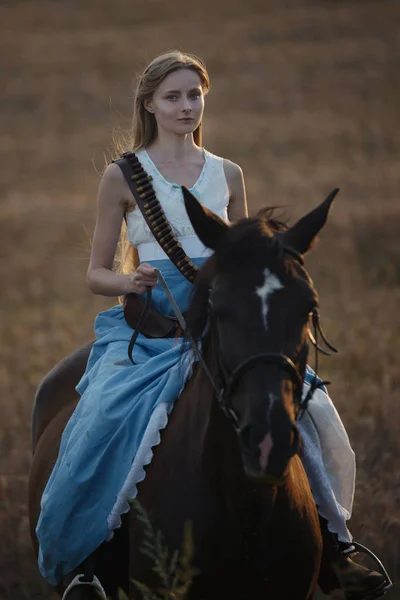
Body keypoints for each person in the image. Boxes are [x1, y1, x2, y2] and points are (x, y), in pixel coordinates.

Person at [35, 50, 387, 598]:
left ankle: (335, 544)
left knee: (312, 408)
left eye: (194, 95)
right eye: (172, 96)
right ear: (149, 103)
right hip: (156, 323)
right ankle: (90, 562)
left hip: (226, 320)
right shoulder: (122, 175)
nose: (185, 106)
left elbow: (246, 257)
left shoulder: (228, 173)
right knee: (103, 417)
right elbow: (95, 273)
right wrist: (129, 282)